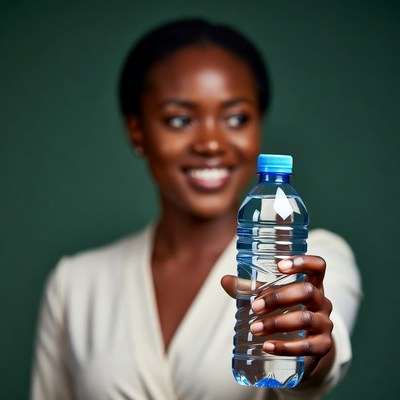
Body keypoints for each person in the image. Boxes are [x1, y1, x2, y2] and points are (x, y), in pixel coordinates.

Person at [30, 18, 361, 400]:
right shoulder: (75, 284)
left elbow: (317, 368)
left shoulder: (308, 259)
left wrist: (312, 351)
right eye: (180, 119)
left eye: (236, 118)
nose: (210, 143)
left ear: (258, 127)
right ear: (137, 131)